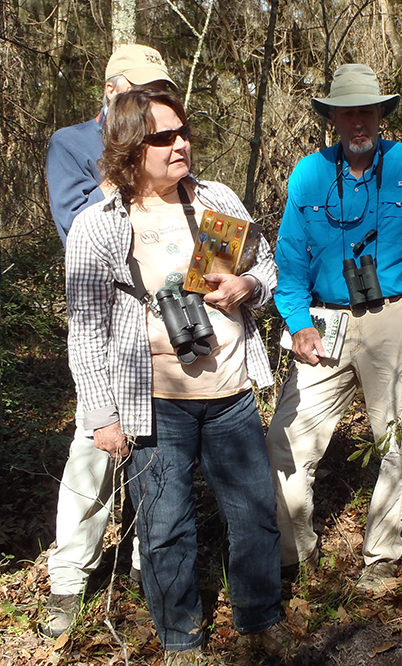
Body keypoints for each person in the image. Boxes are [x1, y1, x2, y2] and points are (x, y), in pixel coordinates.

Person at [65, 88, 291, 664]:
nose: (180, 144)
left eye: (182, 131)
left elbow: (262, 263)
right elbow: (86, 330)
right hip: (152, 402)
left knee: (253, 515)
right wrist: (101, 415)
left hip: (230, 392)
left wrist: (249, 287)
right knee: (164, 529)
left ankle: (260, 618)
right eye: (162, 137)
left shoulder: (214, 199)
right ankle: (181, 638)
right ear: (128, 147)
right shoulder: (100, 225)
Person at [268, 63, 402, 591]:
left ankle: (381, 556)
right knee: (285, 440)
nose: (358, 121)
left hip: (396, 315)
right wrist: (297, 322)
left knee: (396, 438)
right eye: (348, 111)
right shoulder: (309, 174)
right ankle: (293, 552)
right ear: (334, 117)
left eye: (367, 110)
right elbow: (290, 258)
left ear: (381, 114)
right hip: (325, 320)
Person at [42, 43, 176, 638]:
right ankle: (68, 581)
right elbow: (78, 226)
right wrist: (125, 176)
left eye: (158, 93)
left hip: (165, 335)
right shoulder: (72, 145)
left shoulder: (166, 144)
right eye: (139, 92)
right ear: (111, 89)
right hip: (105, 332)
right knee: (90, 458)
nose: (149, 104)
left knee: (162, 463)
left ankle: (156, 577)